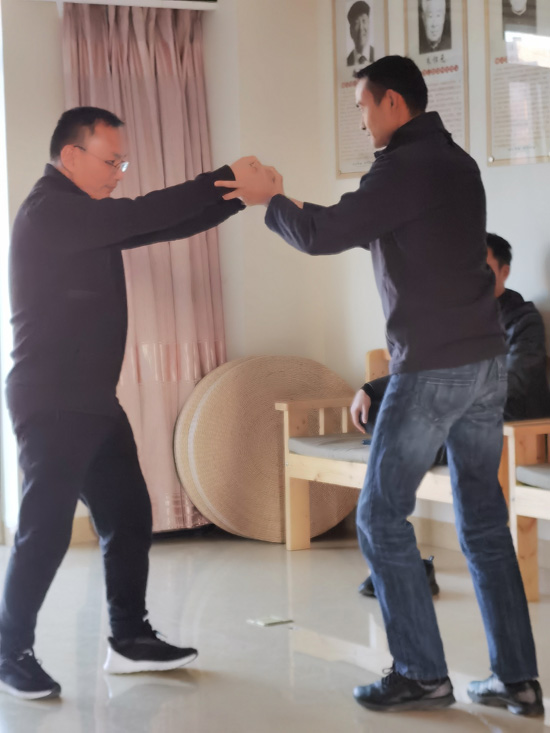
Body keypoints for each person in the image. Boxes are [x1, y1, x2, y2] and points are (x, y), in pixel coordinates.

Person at [216, 56, 543, 717]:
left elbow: (324, 234)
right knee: (484, 520)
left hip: (433, 368)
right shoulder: (455, 163)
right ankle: (517, 679)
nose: (361, 119)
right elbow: (354, 223)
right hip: (485, 364)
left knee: (378, 514)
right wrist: (287, 202)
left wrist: (265, 201)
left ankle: (421, 672)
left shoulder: (404, 165)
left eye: (363, 105)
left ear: (393, 102)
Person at [0, 106, 257, 700]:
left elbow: (156, 226)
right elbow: (143, 213)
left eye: (123, 162)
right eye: (111, 161)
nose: (119, 173)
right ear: (71, 156)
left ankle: (130, 638)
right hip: (53, 399)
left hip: (92, 399)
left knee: (129, 516)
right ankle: (9, 652)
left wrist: (238, 198)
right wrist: (224, 177)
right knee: (45, 531)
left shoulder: (83, 215)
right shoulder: (51, 211)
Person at [357, 232, 550, 597]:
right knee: (380, 414)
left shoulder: (522, 319)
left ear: (504, 272)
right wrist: (370, 389)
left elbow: (520, 381)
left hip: (507, 422)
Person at [347, 1, 375, 67]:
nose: (361, 28)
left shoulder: (378, 55)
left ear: (369, 24)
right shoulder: (347, 62)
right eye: (356, 23)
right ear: (351, 31)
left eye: (364, 21)